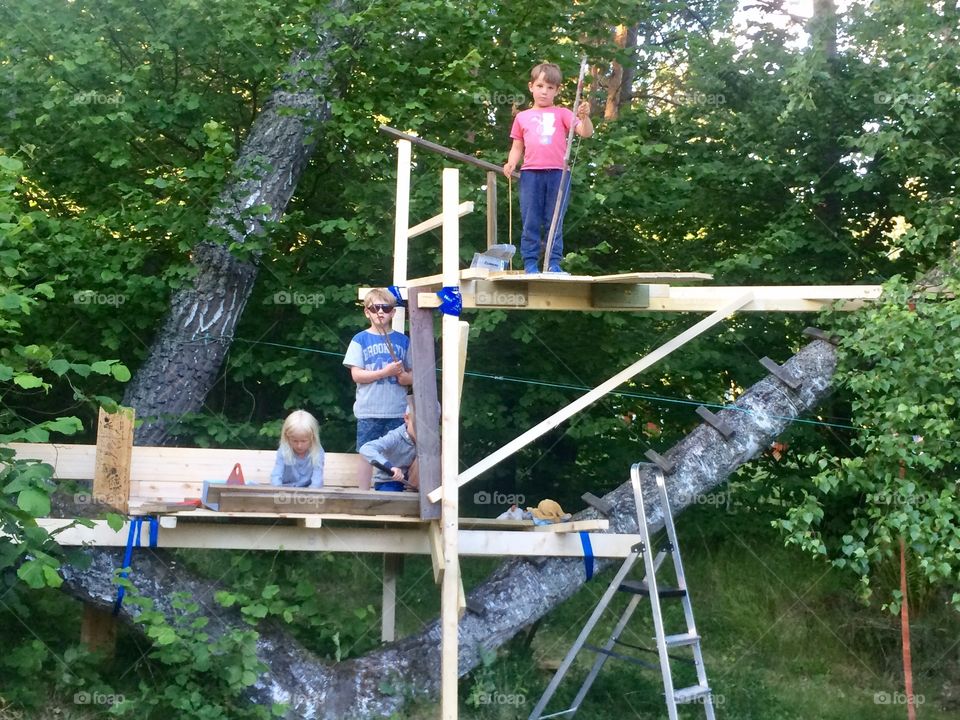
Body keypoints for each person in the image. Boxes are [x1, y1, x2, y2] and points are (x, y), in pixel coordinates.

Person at [503, 62, 593, 274]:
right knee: (530, 219)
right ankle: (530, 263)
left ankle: (553, 263)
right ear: (531, 87)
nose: (544, 91)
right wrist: (511, 162)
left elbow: (585, 132)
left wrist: (585, 117)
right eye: (540, 86)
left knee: (554, 219)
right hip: (530, 174)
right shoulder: (522, 117)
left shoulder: (562, 113)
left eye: (550, 87)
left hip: (558, 174)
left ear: (557, 90)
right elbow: (517, 146)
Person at [343, 288, 412, 489]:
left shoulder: (403, 341)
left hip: (396, 410)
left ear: (393, 312)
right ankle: (363, 493)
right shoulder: (360, 339)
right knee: (366, 452)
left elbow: (414, 375)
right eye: (374, 308)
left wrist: (405, 378)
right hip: (369, 410)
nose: (380, 312)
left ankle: (389, 491)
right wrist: (385, 372)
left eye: (385, 308)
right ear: (367, 312)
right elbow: (357, 375)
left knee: (395, 453)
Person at [359, 403, 419, 492]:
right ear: (406, 418)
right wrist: (390, 467)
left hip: (416, 484)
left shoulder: (432, 440)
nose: (422, 430)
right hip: (390, 482)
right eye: (417, 424)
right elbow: (366, 448)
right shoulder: (395, 436)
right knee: (392, 496)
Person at [270, 409, 324, 488]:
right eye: (295, 441)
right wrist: (277, 490)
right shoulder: (284, 450)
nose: (299, 446)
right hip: (286, 488)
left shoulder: (317, 451)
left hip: (308, 489)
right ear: (287, 437)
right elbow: (276, 475)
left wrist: (312, 492)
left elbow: (317, 479)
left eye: (304, 441)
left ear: (313, 438)